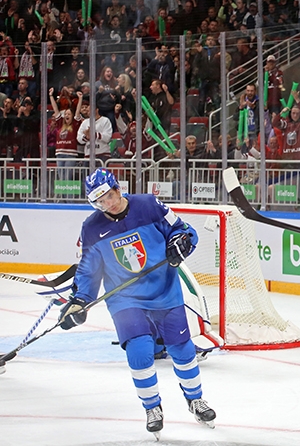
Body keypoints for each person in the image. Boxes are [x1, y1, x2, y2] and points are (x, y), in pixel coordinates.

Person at [58, 168, 216, 438]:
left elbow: (183, 230)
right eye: (99, 201)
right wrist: (79, 300)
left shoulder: (149, 205)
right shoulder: (92, 227)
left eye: (108, 196)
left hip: (165, 291)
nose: (106, 204)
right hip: (125, 299)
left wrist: (182, 242)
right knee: (140, 351)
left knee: (182, 349)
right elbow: (88, 269)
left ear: (118, 189)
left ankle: (195, 400)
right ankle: (152, 408)